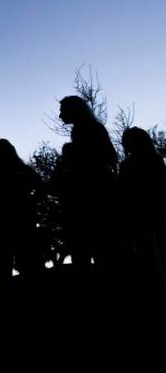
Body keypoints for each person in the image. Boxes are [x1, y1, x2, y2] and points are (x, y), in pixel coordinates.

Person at [57, 95, 117, 276]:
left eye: (63, 111)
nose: (60, 116)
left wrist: (74, 155)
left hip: (94, 201)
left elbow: (110, 159)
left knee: (94, 252)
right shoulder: (83, 130)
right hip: (89, 199)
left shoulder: (92, 129)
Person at [0, 139, 42, 282]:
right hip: (20, 221)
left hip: (1, 222)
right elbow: (40, 187)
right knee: (22, 263)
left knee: (4, 263)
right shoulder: (24, 170)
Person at [118, 127, 166, 287]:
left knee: (151, 256)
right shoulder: (156, 159)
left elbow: (123, 193)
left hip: (142, 217)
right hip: (157, 213)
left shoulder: (127, 166)